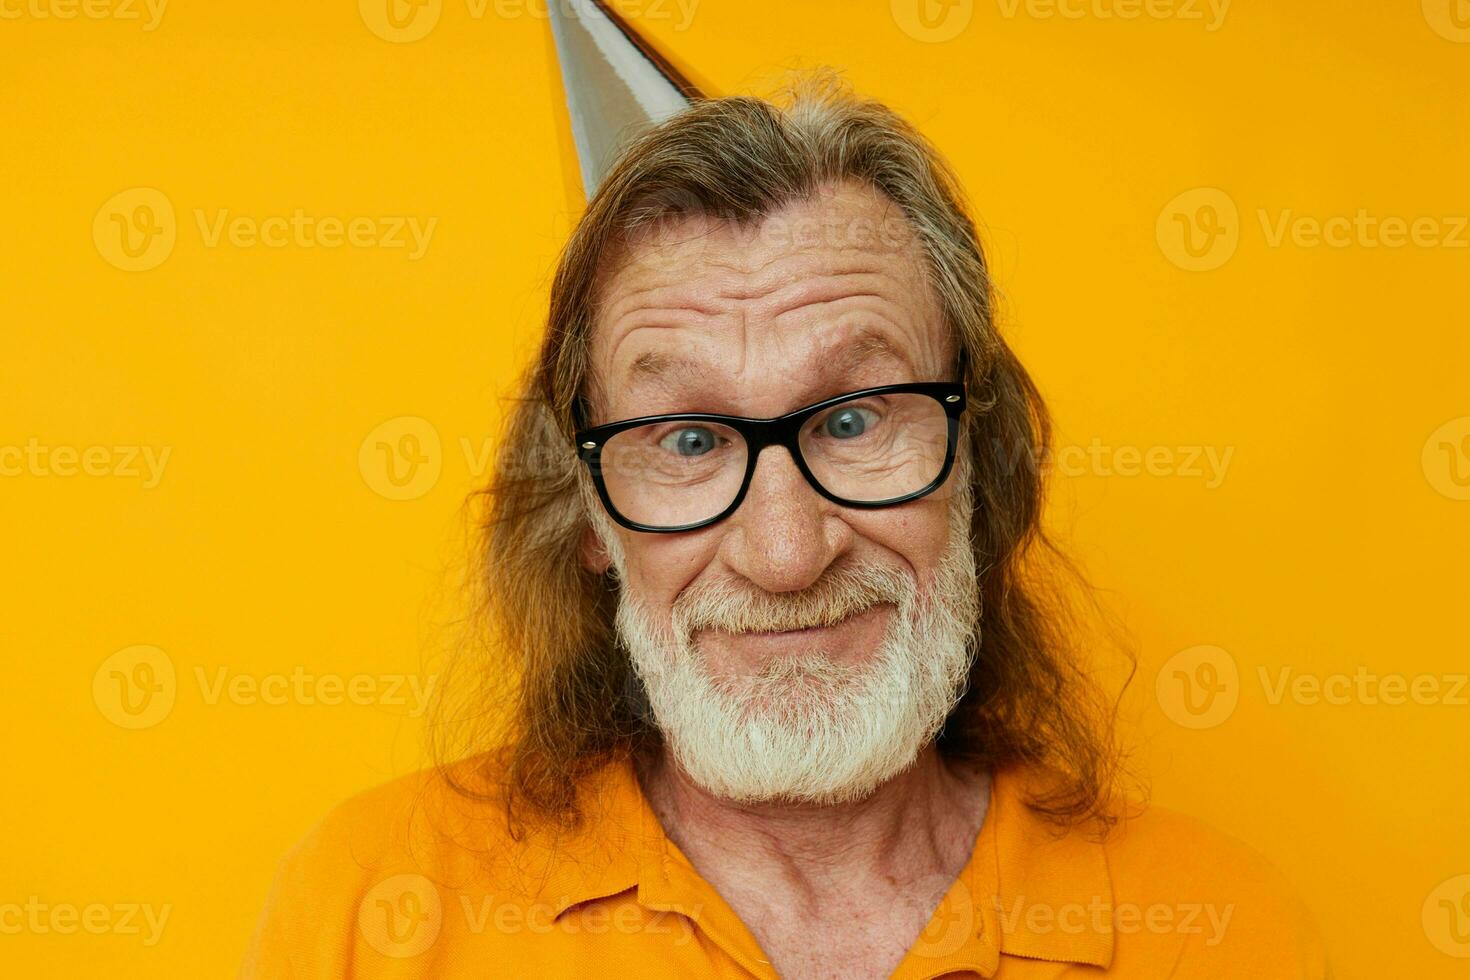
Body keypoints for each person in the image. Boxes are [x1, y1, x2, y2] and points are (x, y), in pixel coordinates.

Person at [242, 77, 1327, 979]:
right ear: (585, 514)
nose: (786, 553)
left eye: (853, 419)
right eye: (687, 439)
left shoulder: (1223, 928)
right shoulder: (373, 906)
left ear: (978, 467)